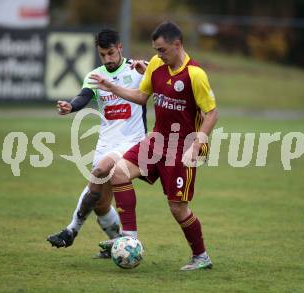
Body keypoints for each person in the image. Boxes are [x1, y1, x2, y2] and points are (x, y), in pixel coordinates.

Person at [90, 21, 219, 270]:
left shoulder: (195, 75)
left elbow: (212, 113)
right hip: (156, 140)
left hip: (181, 148)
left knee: (177, 208)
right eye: (156, 50)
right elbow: (141, 96)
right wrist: (113, 87)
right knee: (118, 172)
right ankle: (129, 238)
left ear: (177, 45)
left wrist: (197, 145)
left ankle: (201, 256)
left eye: (162, 50)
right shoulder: (157, 66)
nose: (158, 55)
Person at [47, 29, 148, 258]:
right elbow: (83, 96)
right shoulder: (96, 75)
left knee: (101, 170)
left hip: (132, 142)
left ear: (120, 48)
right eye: (103, 55)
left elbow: (160, 79)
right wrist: (71, 106)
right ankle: (116, 244)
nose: (108, 59)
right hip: (106, 144)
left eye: (111, 53)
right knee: (101, 204)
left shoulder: (137, 70)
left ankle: (71, 230)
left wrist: (150, 68)